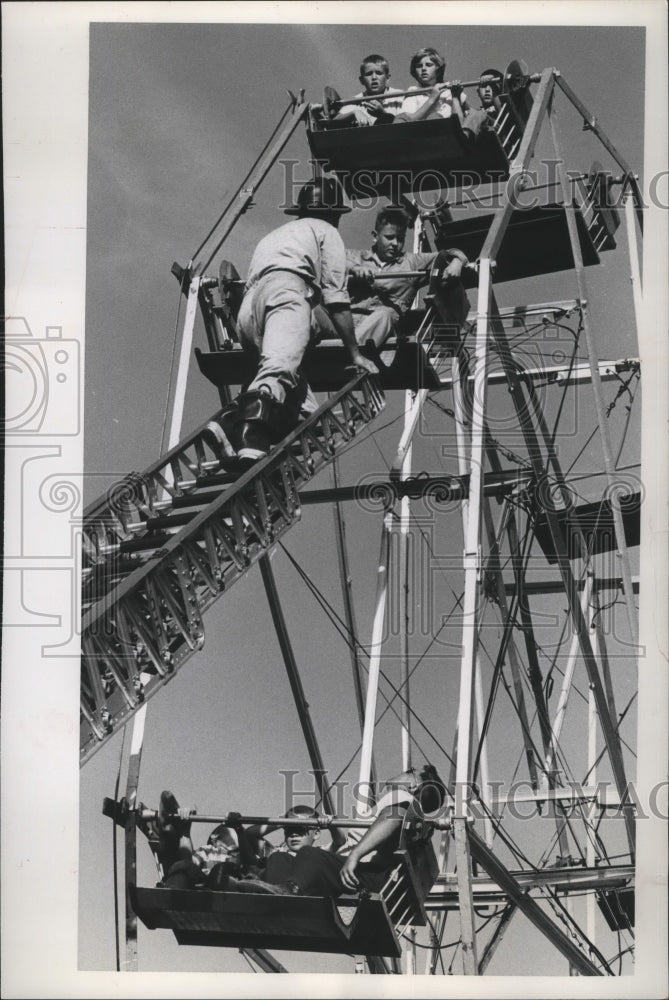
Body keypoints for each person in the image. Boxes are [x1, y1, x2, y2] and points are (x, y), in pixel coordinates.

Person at [229, 176, 378, 464]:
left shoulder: (276, 234)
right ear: (335, 213)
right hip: (286, 297)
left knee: (302, 407)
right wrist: (355, 353)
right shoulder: (327, 232)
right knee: (278, 371)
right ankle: (249, 434)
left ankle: (227, 424)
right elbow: (336, 298)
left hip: (248, 313)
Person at [345, 205, 470, 350]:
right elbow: (329, 258)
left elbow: (449, 254)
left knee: (384, 314)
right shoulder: (354, 257)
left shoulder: (412, 262)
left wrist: (457, 262)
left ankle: (351, 355)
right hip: (345, 322)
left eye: (400, 239)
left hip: (379, 328)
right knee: (316, 313)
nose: (395, 244)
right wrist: (355, 268)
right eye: (389, 237)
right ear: (375, 236)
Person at [394, 47, 469, 127]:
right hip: (418, 134)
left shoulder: (449, 90)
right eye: (419, 66)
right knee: (400, 118)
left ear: (438, 68)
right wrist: (432, 98)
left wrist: (455, 96)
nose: (423, 69)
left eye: (429, 65)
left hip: (444, 134)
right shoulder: (413, 91)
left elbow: (459, 124)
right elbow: (406, 122)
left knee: (434, 117)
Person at [335, 54, 404, 126]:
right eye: (369, 74)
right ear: (362, 80)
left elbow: (407, 123)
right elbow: (334, 120)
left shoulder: (399, 96)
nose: (374, 77)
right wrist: (354, 112)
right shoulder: (355, 100)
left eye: (379, 73)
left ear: (387, 78)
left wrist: (382, 114)